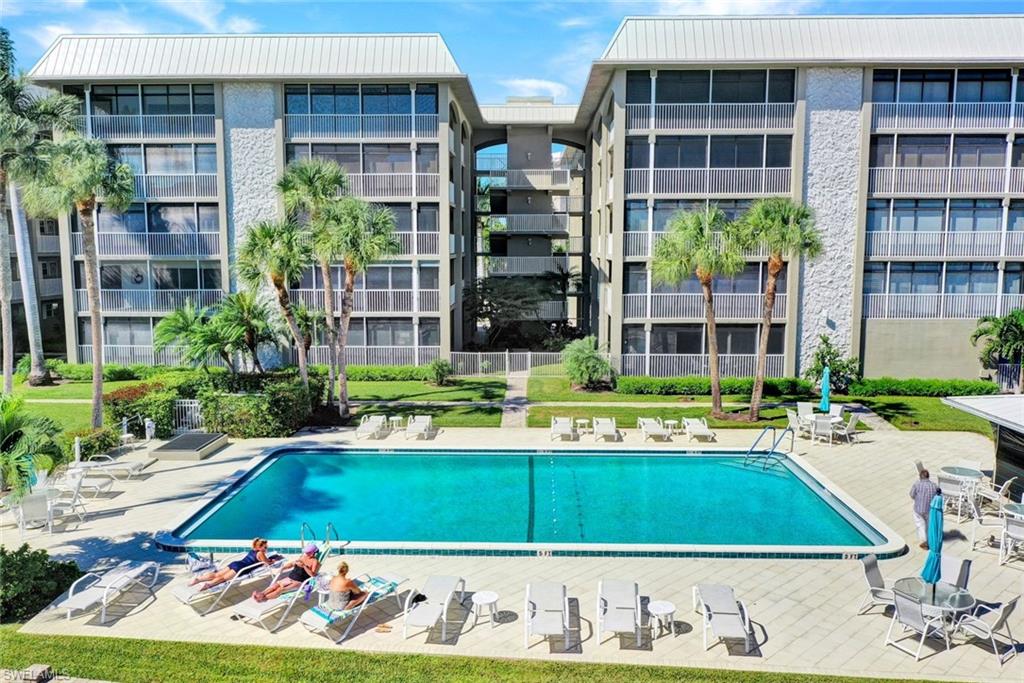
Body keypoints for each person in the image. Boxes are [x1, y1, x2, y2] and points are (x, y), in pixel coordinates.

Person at [189, 538, 278, 591]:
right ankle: (208, 585)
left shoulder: (253, 550)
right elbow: (267, 562)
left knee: (217, 574)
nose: (267, 548)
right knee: (223, 578)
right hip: (241, 568)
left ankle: (198, 579)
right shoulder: (260, 553)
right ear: (259, 547)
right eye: (265, 547)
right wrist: (272, 561)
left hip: (236, 563)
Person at [252, 543, 320, 603]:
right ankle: (262, 594)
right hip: (290, 577)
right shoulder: (303, 557)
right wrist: (283, 568)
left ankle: (264, 599)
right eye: (306, 552)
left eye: (308, 552)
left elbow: (313, 575)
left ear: (313, 553)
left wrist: (304, 566)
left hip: (300, 582)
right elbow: (292, 564)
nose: (306, 553)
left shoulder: (315, 561)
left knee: (280, 589)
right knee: (275, 585)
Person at [909, 469, 940, 550]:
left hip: (918, 509)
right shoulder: (934, 485)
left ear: (920, 477)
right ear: (928, 477)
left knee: (920, 525)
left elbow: (912, 495)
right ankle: (930, 540)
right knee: (928, 525)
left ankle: (924, 542)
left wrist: (918, 498)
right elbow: (938, 495)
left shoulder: (917, 484)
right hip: (929, 509)